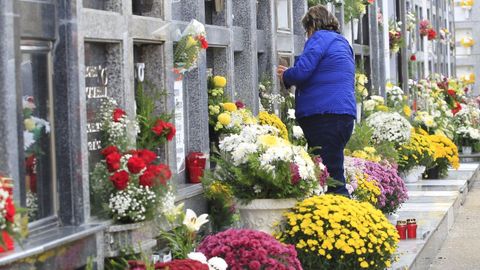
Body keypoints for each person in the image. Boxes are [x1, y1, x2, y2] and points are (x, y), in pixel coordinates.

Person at [276, 4, 356, 196]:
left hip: (324, 116)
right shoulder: (342, 42)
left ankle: (342, 220)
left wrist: (286, 75)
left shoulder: (319, 38)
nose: (307, 36)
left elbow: (303, 71)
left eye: (307, 31)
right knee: (331, 171)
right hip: (343, 116)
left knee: (332, 179)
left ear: (312, 26)